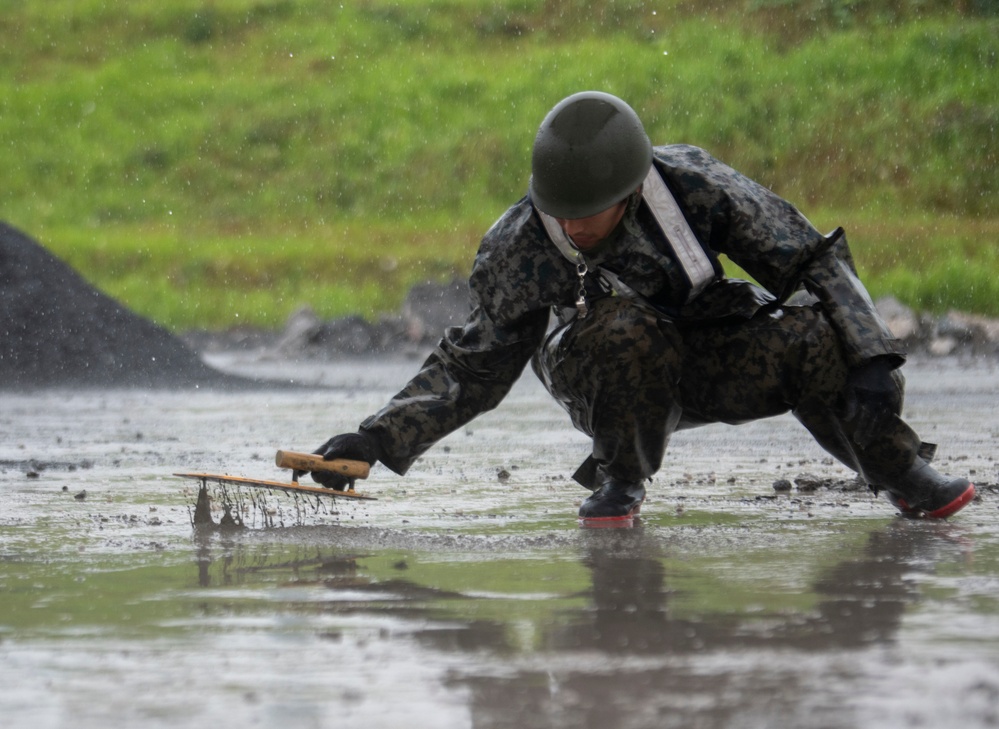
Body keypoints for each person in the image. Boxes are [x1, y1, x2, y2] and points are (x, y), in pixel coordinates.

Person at [304, 90, 975, 522]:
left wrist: (869, 355)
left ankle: (899, 472)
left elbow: (810, 259)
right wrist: (378, 437)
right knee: (623, 329)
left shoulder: (694, 185)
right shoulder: (518, 244)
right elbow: (475, 362)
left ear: (628, 192)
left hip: (712, 353)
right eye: (558, 212)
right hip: (606, 376)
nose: (572, 227)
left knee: (817, 335)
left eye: (587, 213)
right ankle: (620, 481)